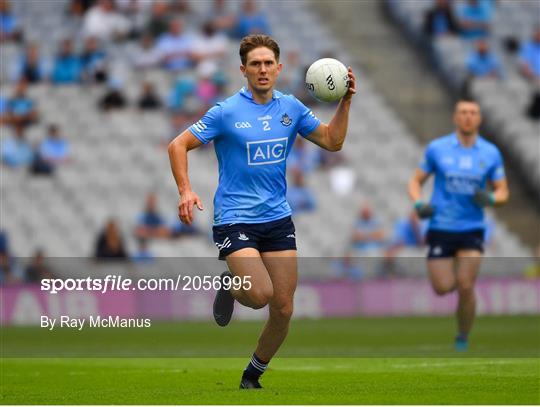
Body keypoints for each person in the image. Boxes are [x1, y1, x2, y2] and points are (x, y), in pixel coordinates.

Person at [168, 34, 356, 389]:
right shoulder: (225, 112)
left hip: (277, 218)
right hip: (235, 217)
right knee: (258, 295)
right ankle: (231, 283)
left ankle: (252, 375)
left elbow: (333, 141)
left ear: (279, 68)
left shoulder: (291, 108)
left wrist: (344, 102)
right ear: (243, 70)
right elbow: (178, 145)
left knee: (283, 309)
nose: (263, 69)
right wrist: (186, 190)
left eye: (269, 63)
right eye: (255, 64)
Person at [408, 98, 509, 351]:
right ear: (455, 117)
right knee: (442, 288)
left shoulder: (490, 153)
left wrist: (491, 198)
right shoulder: (437, 149)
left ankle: (462, 336)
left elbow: (503, 192)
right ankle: (458, 281)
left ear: (479, 118)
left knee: (466, 284)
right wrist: (419, 204)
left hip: (471, 228)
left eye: (472, 112)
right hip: (441, 226)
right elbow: (415, 182)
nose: (467, 116)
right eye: (463, 112)